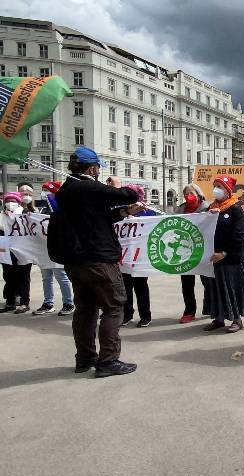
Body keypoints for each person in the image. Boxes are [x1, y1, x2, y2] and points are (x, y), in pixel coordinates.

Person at [51, 147, 145, 377]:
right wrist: (118, 185)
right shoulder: (89, 186)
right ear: (92, 167)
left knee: (85, 309)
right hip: (99, 259)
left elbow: (95, 217)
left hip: (76, 261)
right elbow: (130, 193)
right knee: (114, 307)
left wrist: (123, 212)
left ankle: (85, 358)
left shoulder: (67, 190)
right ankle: (108, 361)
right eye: (98, 168)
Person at [202, 175, 244, 334]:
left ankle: (236, 319)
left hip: (230, 258)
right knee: (215, 288)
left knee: (232, 288)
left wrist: (224, 253)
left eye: (219, 187)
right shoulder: (211, 208)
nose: (216, 190)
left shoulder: (236, 208)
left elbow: (239, 235)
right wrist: (208, 216)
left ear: (227, 191)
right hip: (213, 257)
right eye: (215, 186)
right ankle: (218, 318)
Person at [33, 181, 75, 316]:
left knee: (61, 277)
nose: (45, 193)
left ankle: (68, 303)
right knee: (46, 277)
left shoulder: (61, 207)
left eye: (48, 191)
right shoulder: (42, 209)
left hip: (57, 247)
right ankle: (48, 303)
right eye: (44, 190)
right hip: (43, 249)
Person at [120, 184, 158, 328]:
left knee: (141, 287)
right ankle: (127, 314)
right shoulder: (121, 210)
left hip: (140, 256)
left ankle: (145, 316)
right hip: (124, 257)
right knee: (125, 287)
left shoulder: (147, 211)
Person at [175, 183, 210, 323]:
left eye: (191, 193)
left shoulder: (208, 208)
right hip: (185, 251)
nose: (188, 197)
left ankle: (212, 306)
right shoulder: (181, 210)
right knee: (187, 283)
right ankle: (189, 311)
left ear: (198, 194)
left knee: (208, 282)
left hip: (203, 251)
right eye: (185, 194)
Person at [1, 192, 32, 313]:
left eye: (13, 201)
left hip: (23, 249)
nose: (10, 204)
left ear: (18, 203)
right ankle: (10, 302)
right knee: (9, 276)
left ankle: (24, 302)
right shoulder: (2, 215)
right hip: (6, 249)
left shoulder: (25, 214)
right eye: (8, 201)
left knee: (24, 276)